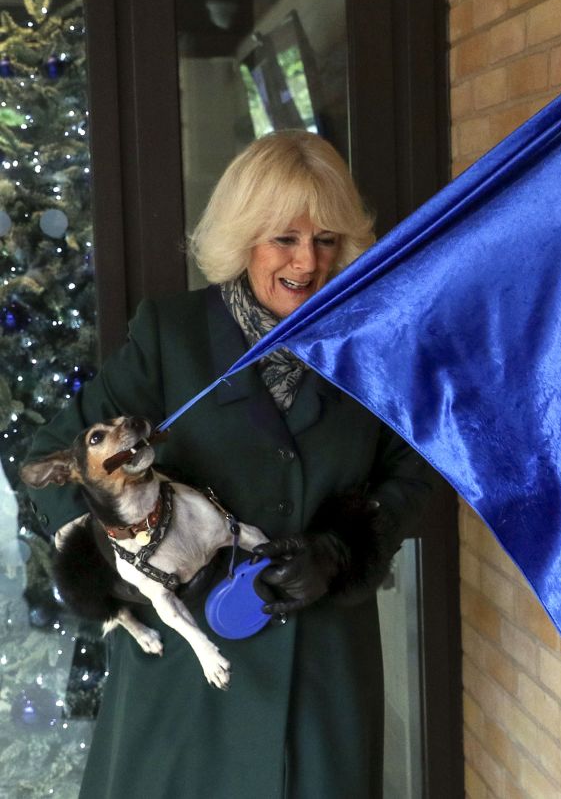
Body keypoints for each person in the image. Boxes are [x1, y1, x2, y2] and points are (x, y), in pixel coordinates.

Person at [24, 130, 435, 798]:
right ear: (246, 238)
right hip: (186, 688)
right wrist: (117, 559)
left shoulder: (372, 346)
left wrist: (345, 546)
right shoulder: (171, 336)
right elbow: (51, 461)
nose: (308, 262)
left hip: (321, 676)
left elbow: (415, 476)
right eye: (286, 239)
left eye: (326, 240)